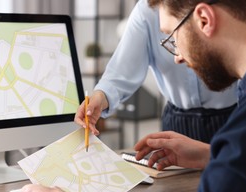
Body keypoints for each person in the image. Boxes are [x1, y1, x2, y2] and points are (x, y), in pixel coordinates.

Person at [22, 0, 246, 192]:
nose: (176, 57)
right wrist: (210, 155)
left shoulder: (242, 130)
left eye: (172, 37)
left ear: (205, 20)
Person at [75, 0, 237, 144]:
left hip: (234, 118)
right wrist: (100, 96)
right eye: (169, 39)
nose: (178, 58)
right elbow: (122, 70)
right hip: (177, 124)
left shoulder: (230, 9)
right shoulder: (147, 11)